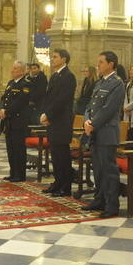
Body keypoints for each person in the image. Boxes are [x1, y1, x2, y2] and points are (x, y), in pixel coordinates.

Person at [82, 51, 125, 218]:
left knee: (108, 170)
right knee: (98, 169)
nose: (97, 65)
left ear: (111, 64)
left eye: (101, 62)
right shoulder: (100, 83)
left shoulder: (117, 84)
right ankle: (99, 199)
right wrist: (86, 121)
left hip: (107, 132)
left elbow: (109, 109)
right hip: (94, 132)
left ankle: (112, 205)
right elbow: (89, 106)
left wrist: (92, 124)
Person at [40, 49, 77, 196]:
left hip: (62, 121)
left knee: (62, 156)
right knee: (55, 155)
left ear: (64, 59)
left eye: (55, 57)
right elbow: (48, 98)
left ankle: (65, 187)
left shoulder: (68, 76)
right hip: (53, 121)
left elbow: (62, 100)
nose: (52, 59)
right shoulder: (55, 76)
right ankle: (57, 182)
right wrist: (45, 113)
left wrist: (48, 114)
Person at [0, 61, 31, 181]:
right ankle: (13, 172)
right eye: (13, 68)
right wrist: (1, 108)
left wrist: (6, 111)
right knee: (10, 148)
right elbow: (4, 98)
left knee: (18, 148)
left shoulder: (26, 84)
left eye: (16, 69)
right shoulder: (11, 83)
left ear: (22, 71)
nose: (13, 71)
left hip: (18, 120)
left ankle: (20, 174)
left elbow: (20, 102)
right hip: (9, 121)